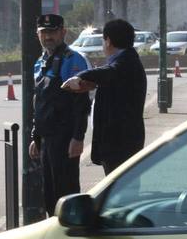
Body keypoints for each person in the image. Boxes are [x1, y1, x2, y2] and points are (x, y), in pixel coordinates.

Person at [62, 18, 147, 174]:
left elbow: (109, 72)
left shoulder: (125, 62)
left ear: (108, 41)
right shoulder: (125, 60)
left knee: (119, 189)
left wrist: (80, 77)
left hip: (120, 144)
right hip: (120, 142)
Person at [29, 13, 91, 215]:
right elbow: (39, 102)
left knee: (67, 196)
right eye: (44, 32)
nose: (48, 37)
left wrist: (78, 137)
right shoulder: (40, 62)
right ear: (38, 34)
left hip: (65, 139)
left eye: (53, 32)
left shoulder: (72, 60)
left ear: (63, 32)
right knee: (49, 196)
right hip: (47, 139)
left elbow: (80, 103)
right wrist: (36, 136)